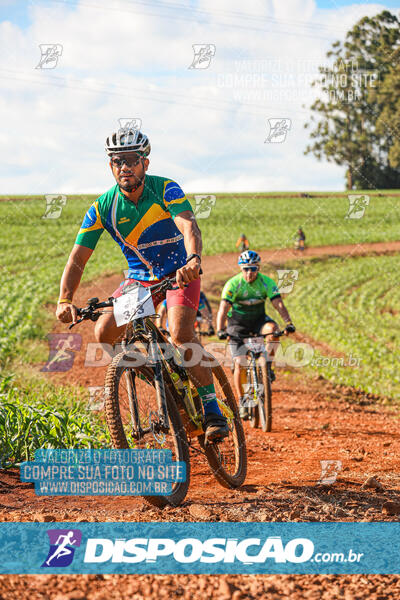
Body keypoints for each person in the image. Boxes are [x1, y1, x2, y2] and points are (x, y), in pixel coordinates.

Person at [55, 128, 228, 442]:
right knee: (104, 331)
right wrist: (64, 299)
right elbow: (78, 257)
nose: (125, 167)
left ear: (145, 163)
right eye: (117, 161)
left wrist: (193, 259)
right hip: (140, 283)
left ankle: (212, 408)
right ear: (111, 166)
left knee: (180, 333)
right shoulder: (102, 208)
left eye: (132, 160)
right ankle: (156, 377)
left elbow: (188, 224)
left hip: (179, 273)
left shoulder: (166, 189)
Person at [216, 250, 295, 418]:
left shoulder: (266, 283)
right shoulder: (233, 284)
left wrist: (288, 323)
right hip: (237, 324)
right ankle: (243, 401)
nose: (249, 273)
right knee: (240, 363)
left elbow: (278, 304)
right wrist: (220, 329)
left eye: (253, 268)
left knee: (273, 331)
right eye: (245, 269)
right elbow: (223, 309)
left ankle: (268, 366)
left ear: (258, 268)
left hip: (259, 321)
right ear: (240, 268)